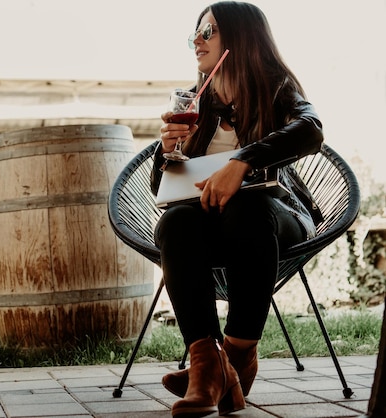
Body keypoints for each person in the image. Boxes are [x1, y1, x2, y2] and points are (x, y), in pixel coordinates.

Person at [150, 2, 325, 417]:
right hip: (210, 225)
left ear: (240, 37)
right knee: (176, 222)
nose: (197, 40)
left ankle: (236, 355)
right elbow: (163, 190)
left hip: (275, 217)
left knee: (247, 210)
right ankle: (207, 362)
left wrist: (242, 161)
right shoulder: (197, 101)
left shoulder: (275, 87)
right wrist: (168, 151)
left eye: (208, 31)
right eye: (195, 32)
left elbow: (311, 129)